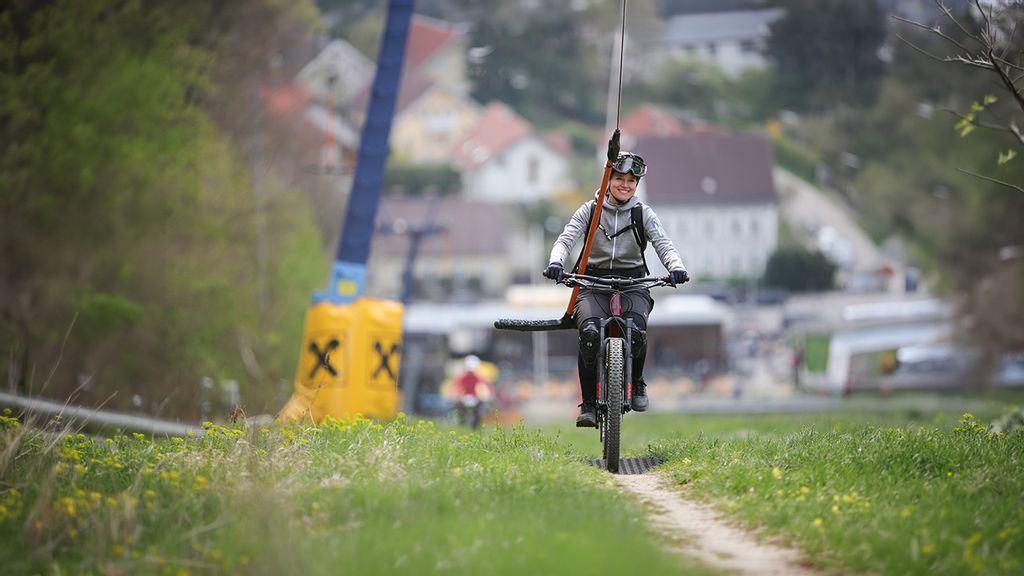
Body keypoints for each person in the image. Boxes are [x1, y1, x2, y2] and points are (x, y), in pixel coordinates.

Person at [545, 150, 689, 427]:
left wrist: (676, 267)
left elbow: (664, 244)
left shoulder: (642, 213)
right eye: (619, 178)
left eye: (631, 181)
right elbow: (565, 239)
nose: (625, 185)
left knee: (636, 330)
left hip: (633, 282)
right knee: (588, 334)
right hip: (592, 282)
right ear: (608, 179)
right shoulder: (589, 210)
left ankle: (636, 383)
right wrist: (555, 262)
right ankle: (587, 403)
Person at [450, 355, 493, 429]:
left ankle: (476, 424)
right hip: (464, 398)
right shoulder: (461, 377)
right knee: (458, 408)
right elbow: (456, 388)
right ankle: (460, 422)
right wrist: (455, 396)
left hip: (476, 398)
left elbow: (487, 389)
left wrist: (486, 396)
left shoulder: (480, 378)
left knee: (479, 410)